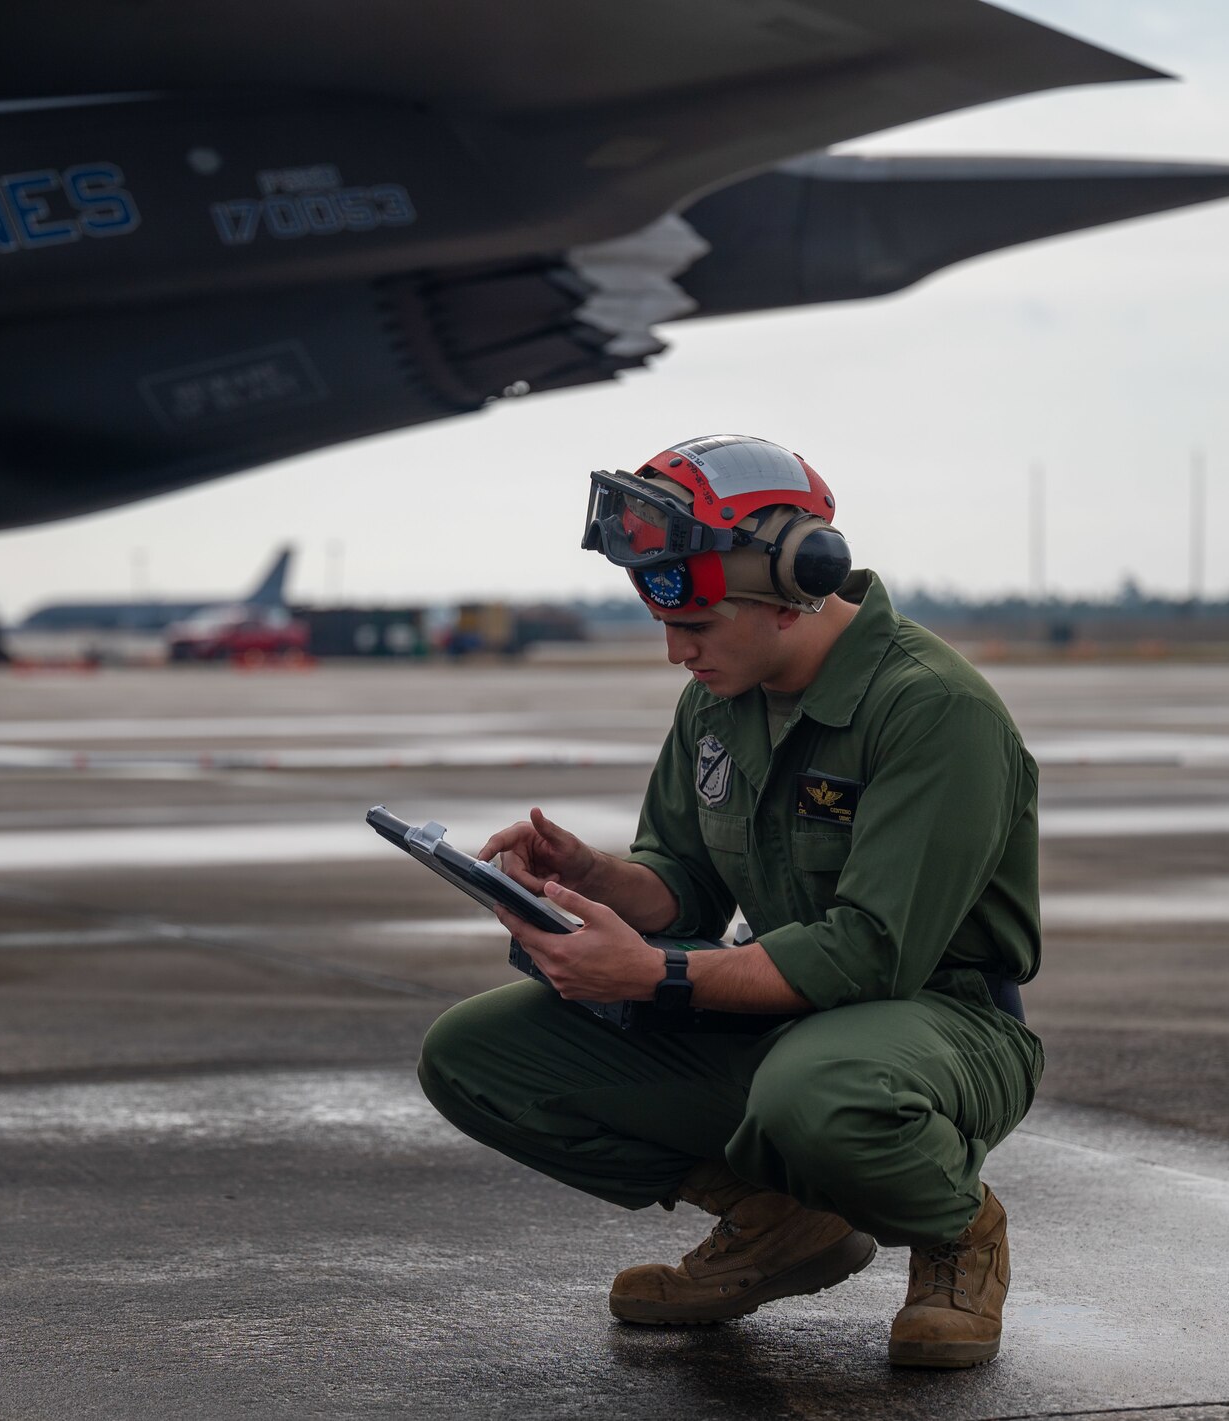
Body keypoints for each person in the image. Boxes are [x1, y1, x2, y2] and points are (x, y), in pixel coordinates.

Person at [416, 434, 1043, 1369]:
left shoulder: (932, 710)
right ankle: (778, 1221)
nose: (676, 652)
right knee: (474, 1056)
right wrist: (585, 876)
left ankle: (957, 1230)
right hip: (784, 1011)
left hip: (941, 1022)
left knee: (821, 1094)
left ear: (795, 585)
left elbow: (869, 954)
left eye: (698, 624)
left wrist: (653, 975)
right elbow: (685, 883)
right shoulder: (722, 694)